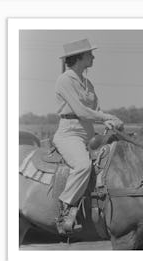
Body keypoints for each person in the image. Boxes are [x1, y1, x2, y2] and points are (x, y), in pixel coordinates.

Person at [53, 38, 123, 234]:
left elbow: (96, 109)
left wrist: (108, 122)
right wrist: (107, 117)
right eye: (89, 54)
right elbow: (82, 111)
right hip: (69, 135)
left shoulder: (87, 82)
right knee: (83, 165)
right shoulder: (65, 80)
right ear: (80, 57)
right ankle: (65, 208)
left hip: (89, 134)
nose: (93, 57)